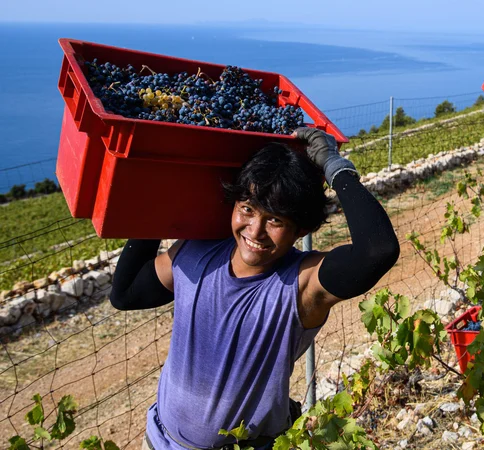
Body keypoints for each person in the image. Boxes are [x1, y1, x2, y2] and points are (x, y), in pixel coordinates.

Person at [109, 128, 400, 450]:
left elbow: (378, 250)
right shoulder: (195, 254)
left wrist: (333, 164)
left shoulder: (301, 285)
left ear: (300, 228)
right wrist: (158, 207)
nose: (256, 231)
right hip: (161, 441)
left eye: (274, 220)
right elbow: (126, 295)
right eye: (247, 209)